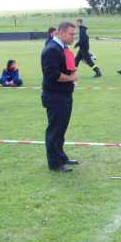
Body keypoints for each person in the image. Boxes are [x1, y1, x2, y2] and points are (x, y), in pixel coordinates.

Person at [40, 22, 79, 173]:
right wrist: (72, 78)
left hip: (64, 95)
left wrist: (72, 74)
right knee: (55, 130)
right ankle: (55, 164)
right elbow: (53, 75)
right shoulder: (51, 50)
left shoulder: (63, 48)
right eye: (71, 34)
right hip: (55, 96)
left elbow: (69, 67)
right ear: (61, 33)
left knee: (61, 130)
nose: (74, 37)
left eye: (74, 34)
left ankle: (61, 157)